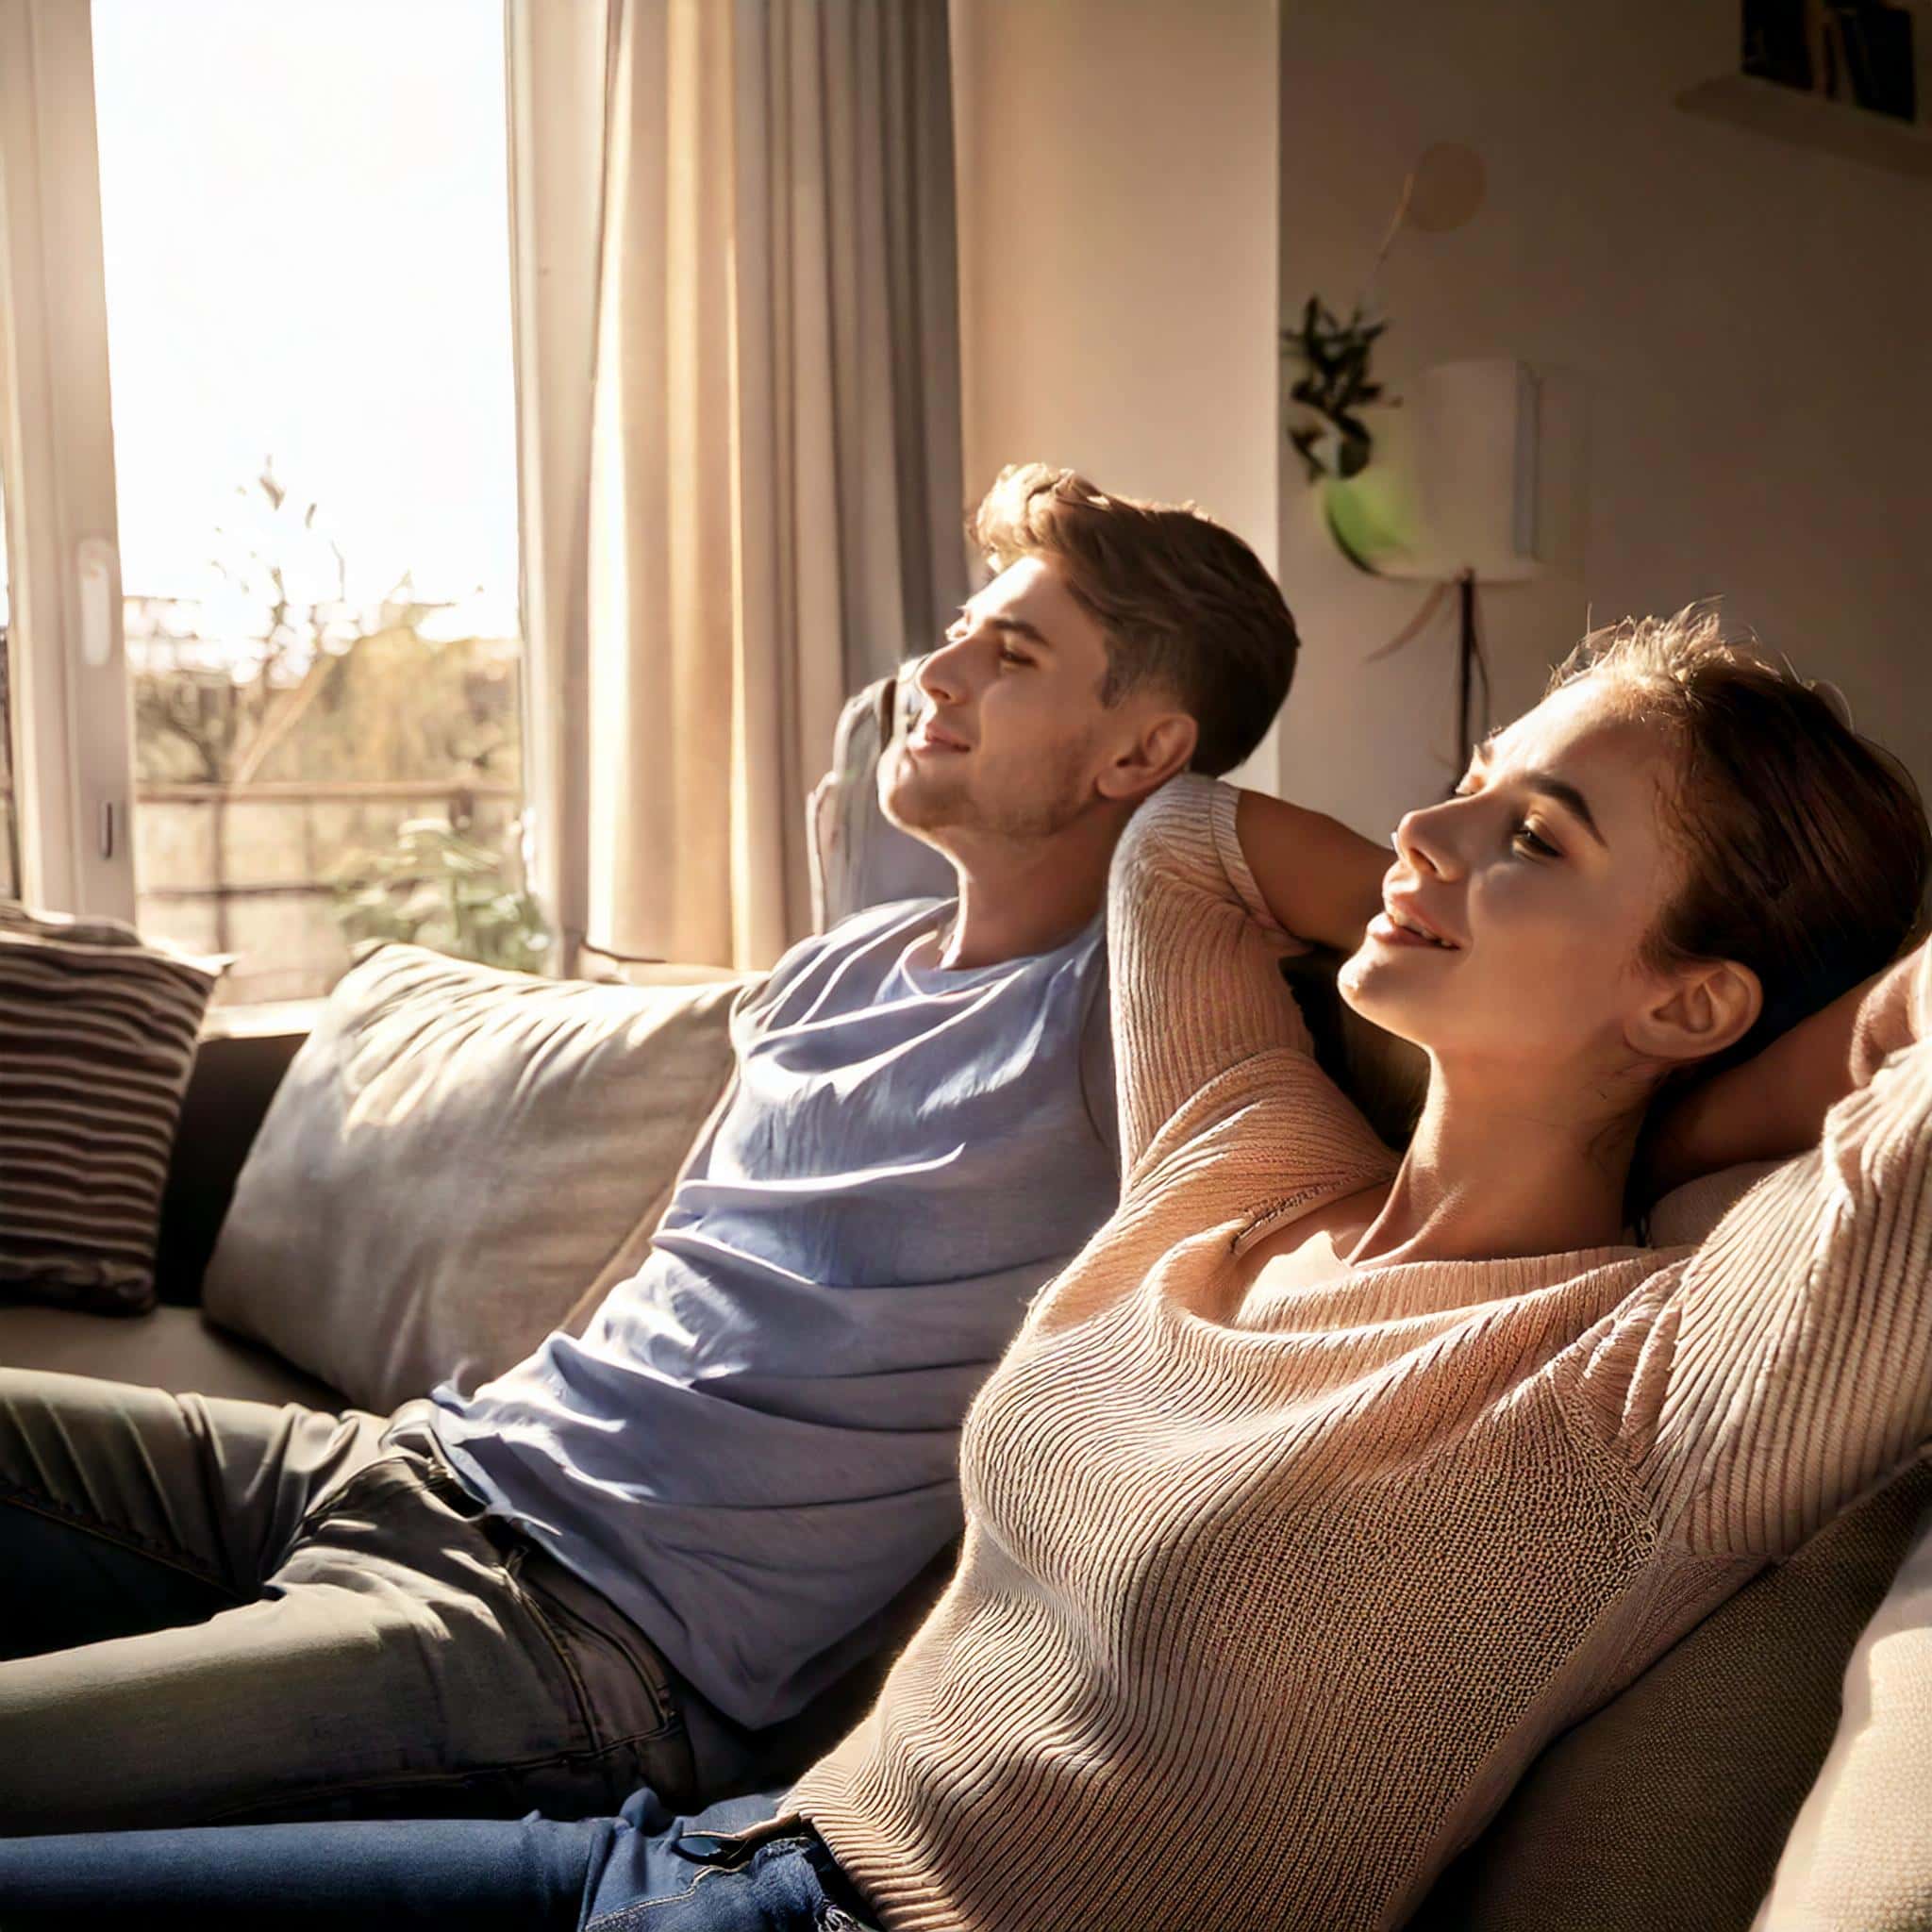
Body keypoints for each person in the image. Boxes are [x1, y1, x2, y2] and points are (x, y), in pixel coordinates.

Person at [7, 607, 1926, 1932]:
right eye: (1468, 777)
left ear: (1697, 990)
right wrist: (1587, 1020)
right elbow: (1178, 841)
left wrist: (1730, 1083)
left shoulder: (1654, 1379)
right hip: (679, 1856)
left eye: (1531, 835)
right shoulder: (1248, 1167)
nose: (1420, 832)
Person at [0, 465, 1391, 1836]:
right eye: (960, 626)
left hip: (563, 1637)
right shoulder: (844, 966)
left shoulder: (1117, 1010)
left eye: (1011, 652)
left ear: (1144, 756)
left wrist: (1182, 819)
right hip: (410, 1465)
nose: (936, 670)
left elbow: (1393, 900)